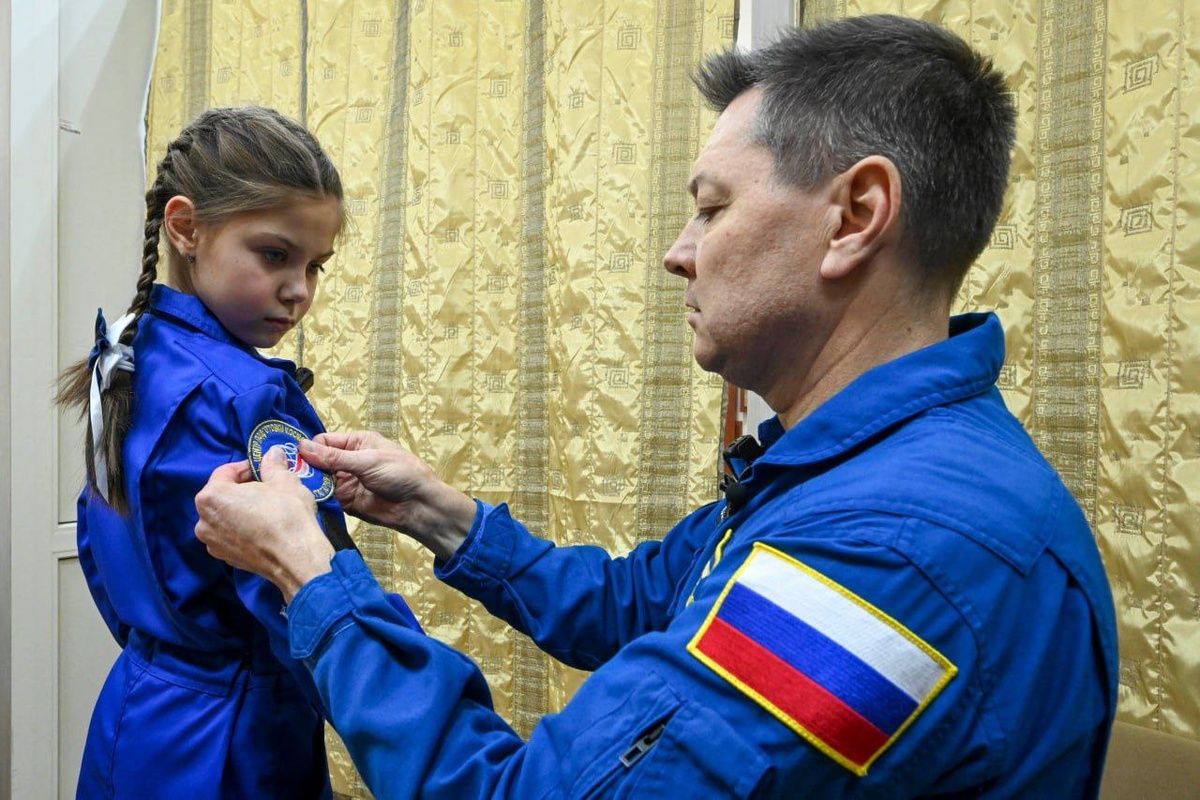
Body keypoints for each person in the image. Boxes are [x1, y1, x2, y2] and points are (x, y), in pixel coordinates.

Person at [195, 16, 1118, 798]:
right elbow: (637, 602)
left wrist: (311, 576)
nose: (679, 253)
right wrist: (436, 513)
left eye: (713, 209)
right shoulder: (846, 467)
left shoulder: (892, 548)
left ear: (855, 215)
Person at [57, 106, 396, 798]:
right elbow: (305, 590)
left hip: (138, 712)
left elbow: (99, 544)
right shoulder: (248, 398)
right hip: (236, 738)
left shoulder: (125, 353)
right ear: (186, 229)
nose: (299, 291)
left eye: (315, 267)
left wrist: (167, 651)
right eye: (274, 255)